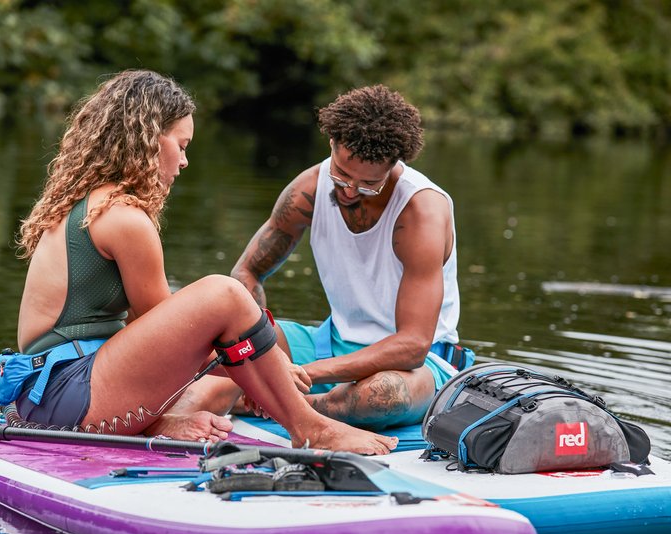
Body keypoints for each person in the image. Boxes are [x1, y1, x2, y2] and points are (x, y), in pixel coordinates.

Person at [0, 70, 396, 455]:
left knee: (231, 380)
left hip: (52, 396)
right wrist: (273, 362)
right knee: (224, 294)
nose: (185, 161)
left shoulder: (89, 204)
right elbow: (179, 346)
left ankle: (165, 424)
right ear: (150, 139)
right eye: (182, 145)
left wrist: (255, 365)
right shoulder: (125, 218)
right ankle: (310, 428)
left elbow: (153, 339)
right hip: (69, 397)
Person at [180, 84, 473, 431]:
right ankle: (271, 396)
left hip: (416, 366)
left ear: (395, 165)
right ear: (331, 144)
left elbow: (412, 345)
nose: (350, 190)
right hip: (327, 345)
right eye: (342, 174)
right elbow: (247, 272)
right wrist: (266, 355)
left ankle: (282, 402)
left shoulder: (421, 212)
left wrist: (290, 374)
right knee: (206, 347)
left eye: (368, 185)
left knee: (382, 396)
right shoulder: (309, 187)